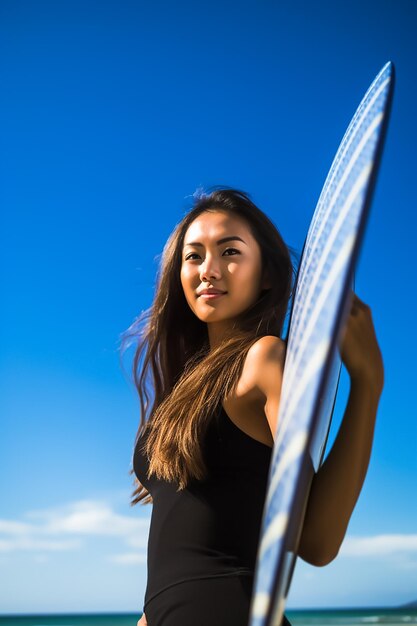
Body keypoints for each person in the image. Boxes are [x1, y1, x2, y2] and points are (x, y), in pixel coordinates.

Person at [123, 188, 384, 626]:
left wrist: (367, 384)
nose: (208, 270)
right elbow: (177, 552)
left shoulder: (265, 358)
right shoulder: (183, 390)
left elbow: (317, 540)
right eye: (194, 256)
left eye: (230, 251)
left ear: (265, 274)